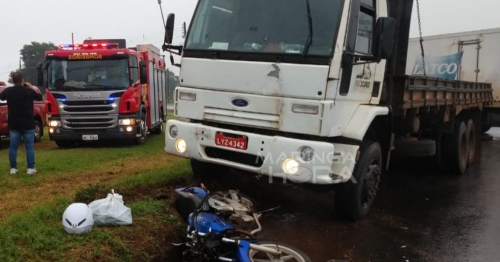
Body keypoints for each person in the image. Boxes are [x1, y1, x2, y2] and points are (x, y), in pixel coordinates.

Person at [0, 72, 43, 175]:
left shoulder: (9, 91)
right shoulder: (28, 91)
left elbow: (1, 97)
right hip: (28, 123)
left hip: (14, 123)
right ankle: (30, 168)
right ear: (22, 80)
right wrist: (30, 86)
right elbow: (39, 97)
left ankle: (13, 168)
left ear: (13, 81)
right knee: (29, 146)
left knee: (13, 146)